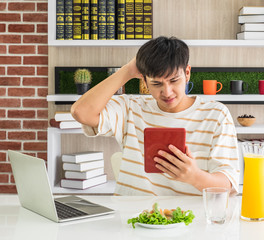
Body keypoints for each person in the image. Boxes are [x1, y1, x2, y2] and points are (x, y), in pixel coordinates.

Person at [71, 36, 239, 196]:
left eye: (174, 81)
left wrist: (194, 176)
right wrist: (127, 70)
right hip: (134, 217)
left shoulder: (216, 114)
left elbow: (229, 186)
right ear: (144, 81)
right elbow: (81, 112)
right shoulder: (131, 108)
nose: (167, 92)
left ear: (187, 73)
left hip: (190, 219)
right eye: (156, 83)